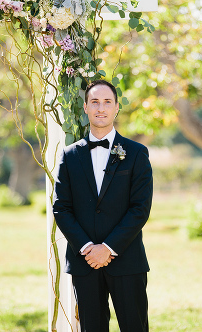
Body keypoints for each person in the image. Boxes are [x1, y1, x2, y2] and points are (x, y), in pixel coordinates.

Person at [52, 79, 153, 332]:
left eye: (107, 102)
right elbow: (60, 207)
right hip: (84, 263)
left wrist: (108, 248)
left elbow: (140, 208)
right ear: (85, 107)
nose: (101, 108)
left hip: (126, 260)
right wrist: (88, 248)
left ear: (117, 108)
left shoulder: (137, 153)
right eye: (94, 102)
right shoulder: (69, 155)